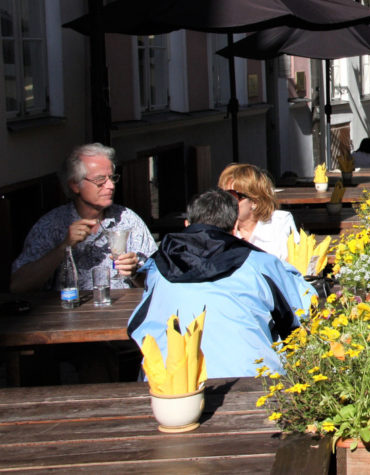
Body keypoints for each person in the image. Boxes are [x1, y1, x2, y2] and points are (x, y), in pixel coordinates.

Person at [127, 189, 313, 379]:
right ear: (235, 226)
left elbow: (138, 324)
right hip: (251, 380)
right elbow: (303, 310)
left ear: (187, 224)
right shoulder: (260, 264)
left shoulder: (158, 267)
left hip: (171, 384)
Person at [12, 143, 156, 293]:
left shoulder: (127, 219)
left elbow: (160, 281)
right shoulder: (51, 224)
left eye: (112, 178)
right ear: (75, 185)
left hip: (123, 307)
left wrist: (135, 273)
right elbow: (18, 285)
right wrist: (64, 247)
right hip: (70, 307)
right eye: (100, 180)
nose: (111, 186)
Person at [218, 164, 299, 262]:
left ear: (254, 201)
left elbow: (293, 263)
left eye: (233, 196)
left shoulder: (279, 222)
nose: (226, 202)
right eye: (223, 196)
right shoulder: (219, 227)